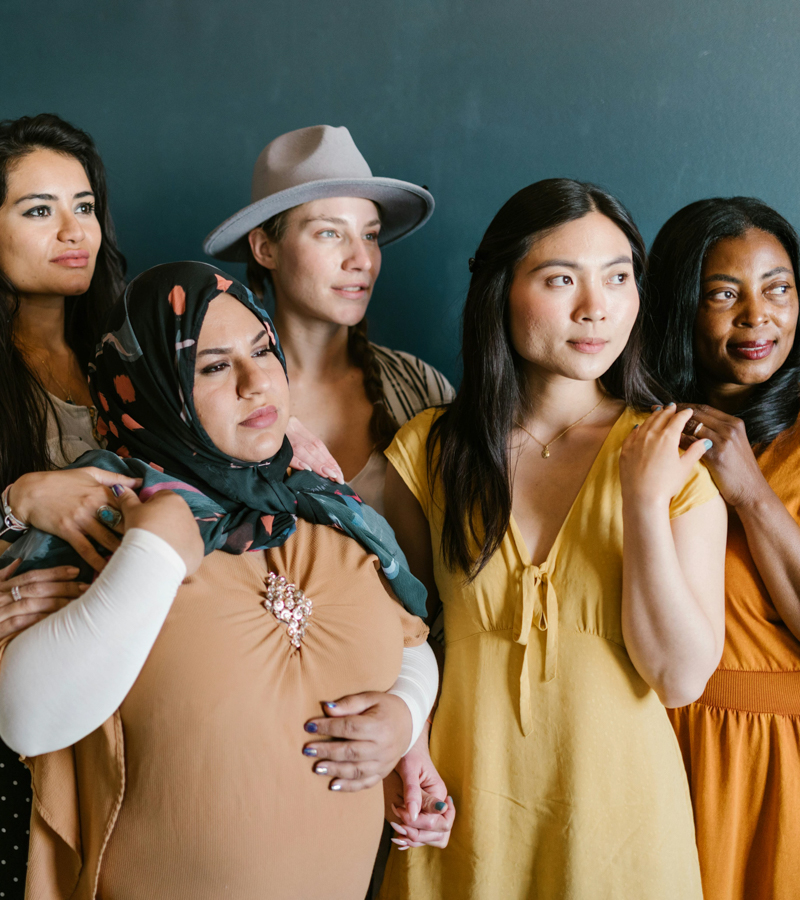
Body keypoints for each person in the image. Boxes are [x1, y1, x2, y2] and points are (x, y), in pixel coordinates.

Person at [0, 261, 438, 900]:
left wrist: (404, 713)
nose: (258, 381)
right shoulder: (98, 519)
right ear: (154, 389)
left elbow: (410, 645)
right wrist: (154, 550)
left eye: (263, 349)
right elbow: (28, 721)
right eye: (212, 366)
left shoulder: (327, 505)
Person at [378, 179, 728, 900]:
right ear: (503, 290)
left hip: (620, 833)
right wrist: (404, 750)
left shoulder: (672, 455)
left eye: (619, 277)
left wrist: (639, 496)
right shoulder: (431, 451)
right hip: (461, 821)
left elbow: (680, 677)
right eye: (560, 278)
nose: (596, 307)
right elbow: (385, 631)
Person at [646, 197, 800, 900]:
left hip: (781, 762)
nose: (757, 316)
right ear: (680, 305)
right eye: (724, 294)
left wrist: (749, 492)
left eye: (778, 289)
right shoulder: (636, 438)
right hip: (657, 745)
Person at [0, 112, 132, 896]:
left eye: (82, 206)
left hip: (112, 690)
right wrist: (16, 503)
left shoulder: (121, 360)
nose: (71, 229)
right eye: (37, 209)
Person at [203, 124, 454, 514]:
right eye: (329, 233)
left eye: (369, 236)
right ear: (265, 248)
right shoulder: (215, 393)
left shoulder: (421, 388)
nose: (362, 260)